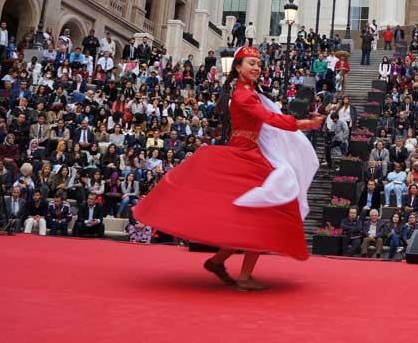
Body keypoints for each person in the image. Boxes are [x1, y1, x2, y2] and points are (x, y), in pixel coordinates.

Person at [133, 46, 323, 291]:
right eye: (251, 63)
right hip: (244, 157)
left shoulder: (249, 91)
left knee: (250, 216)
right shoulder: (244, 95)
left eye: (258, 63)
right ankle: (240, 275)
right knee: (261, 214)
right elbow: (269, 118)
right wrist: (303, 124)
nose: (256, 67)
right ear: (238, 67)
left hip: (252, 156)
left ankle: (218, 262)